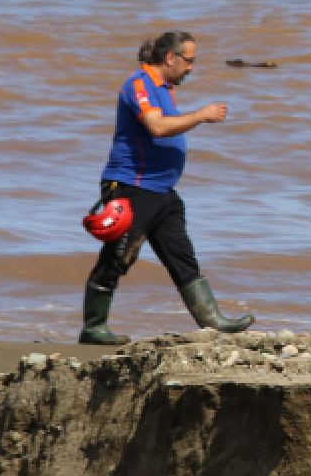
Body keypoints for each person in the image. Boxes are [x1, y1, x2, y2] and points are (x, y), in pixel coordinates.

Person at [78, 30, 255, 345]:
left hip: (161, 192)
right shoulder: (139, 84)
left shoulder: (165, 88)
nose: (192, 68)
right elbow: (157, 127)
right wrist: (201, 115)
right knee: (118, 257)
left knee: (181, 255)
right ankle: (94, 327)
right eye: (189, 61)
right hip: (132, 186)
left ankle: (212, 321)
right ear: (170, 57)